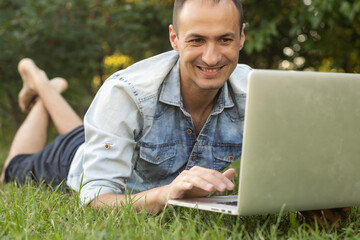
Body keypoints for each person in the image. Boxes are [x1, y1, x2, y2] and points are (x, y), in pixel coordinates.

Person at [0, 0, 351, 228]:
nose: (212, 58)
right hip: (72, 162)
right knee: (14, 168)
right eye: (197, 40)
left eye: (225, 40)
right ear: (174, 38)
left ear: (242, 38)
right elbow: (94, 200)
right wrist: (165, 194)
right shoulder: (126, 93)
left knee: (80, 130)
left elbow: (299, 164)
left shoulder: (260, 93)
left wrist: (313, 197)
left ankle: (47, 88)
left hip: (106, 137)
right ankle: (41, 86)